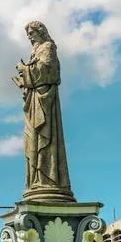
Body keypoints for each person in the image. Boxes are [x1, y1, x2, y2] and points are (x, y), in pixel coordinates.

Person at [13, 21, 74, 201]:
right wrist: (25, 79)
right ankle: (37, 179)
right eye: (28, 34)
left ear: (41, 32)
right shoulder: (36, 50)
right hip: (34, 101)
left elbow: (49, 72)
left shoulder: (48, 47)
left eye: (32, 32)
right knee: (32, 142)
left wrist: (25, 69)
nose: (30, 36)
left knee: (45, 140)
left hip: (44, 101)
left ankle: (49, 180)